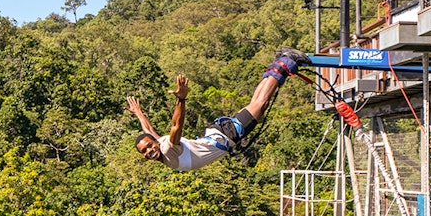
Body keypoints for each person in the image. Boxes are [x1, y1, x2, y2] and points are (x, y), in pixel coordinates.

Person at [127, 48, 310, 170]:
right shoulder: (162, 148)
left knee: (260, 105)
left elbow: (176, 126)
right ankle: (277, 65)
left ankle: (286, 62)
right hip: (219, 134)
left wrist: (181, 100)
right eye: (145, 151)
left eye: (149, 146)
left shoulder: (168, 150)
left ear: (156, 144)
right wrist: (139, 113)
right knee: (257, 105)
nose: (149, 150)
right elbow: (149, 131)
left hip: (226, 135)